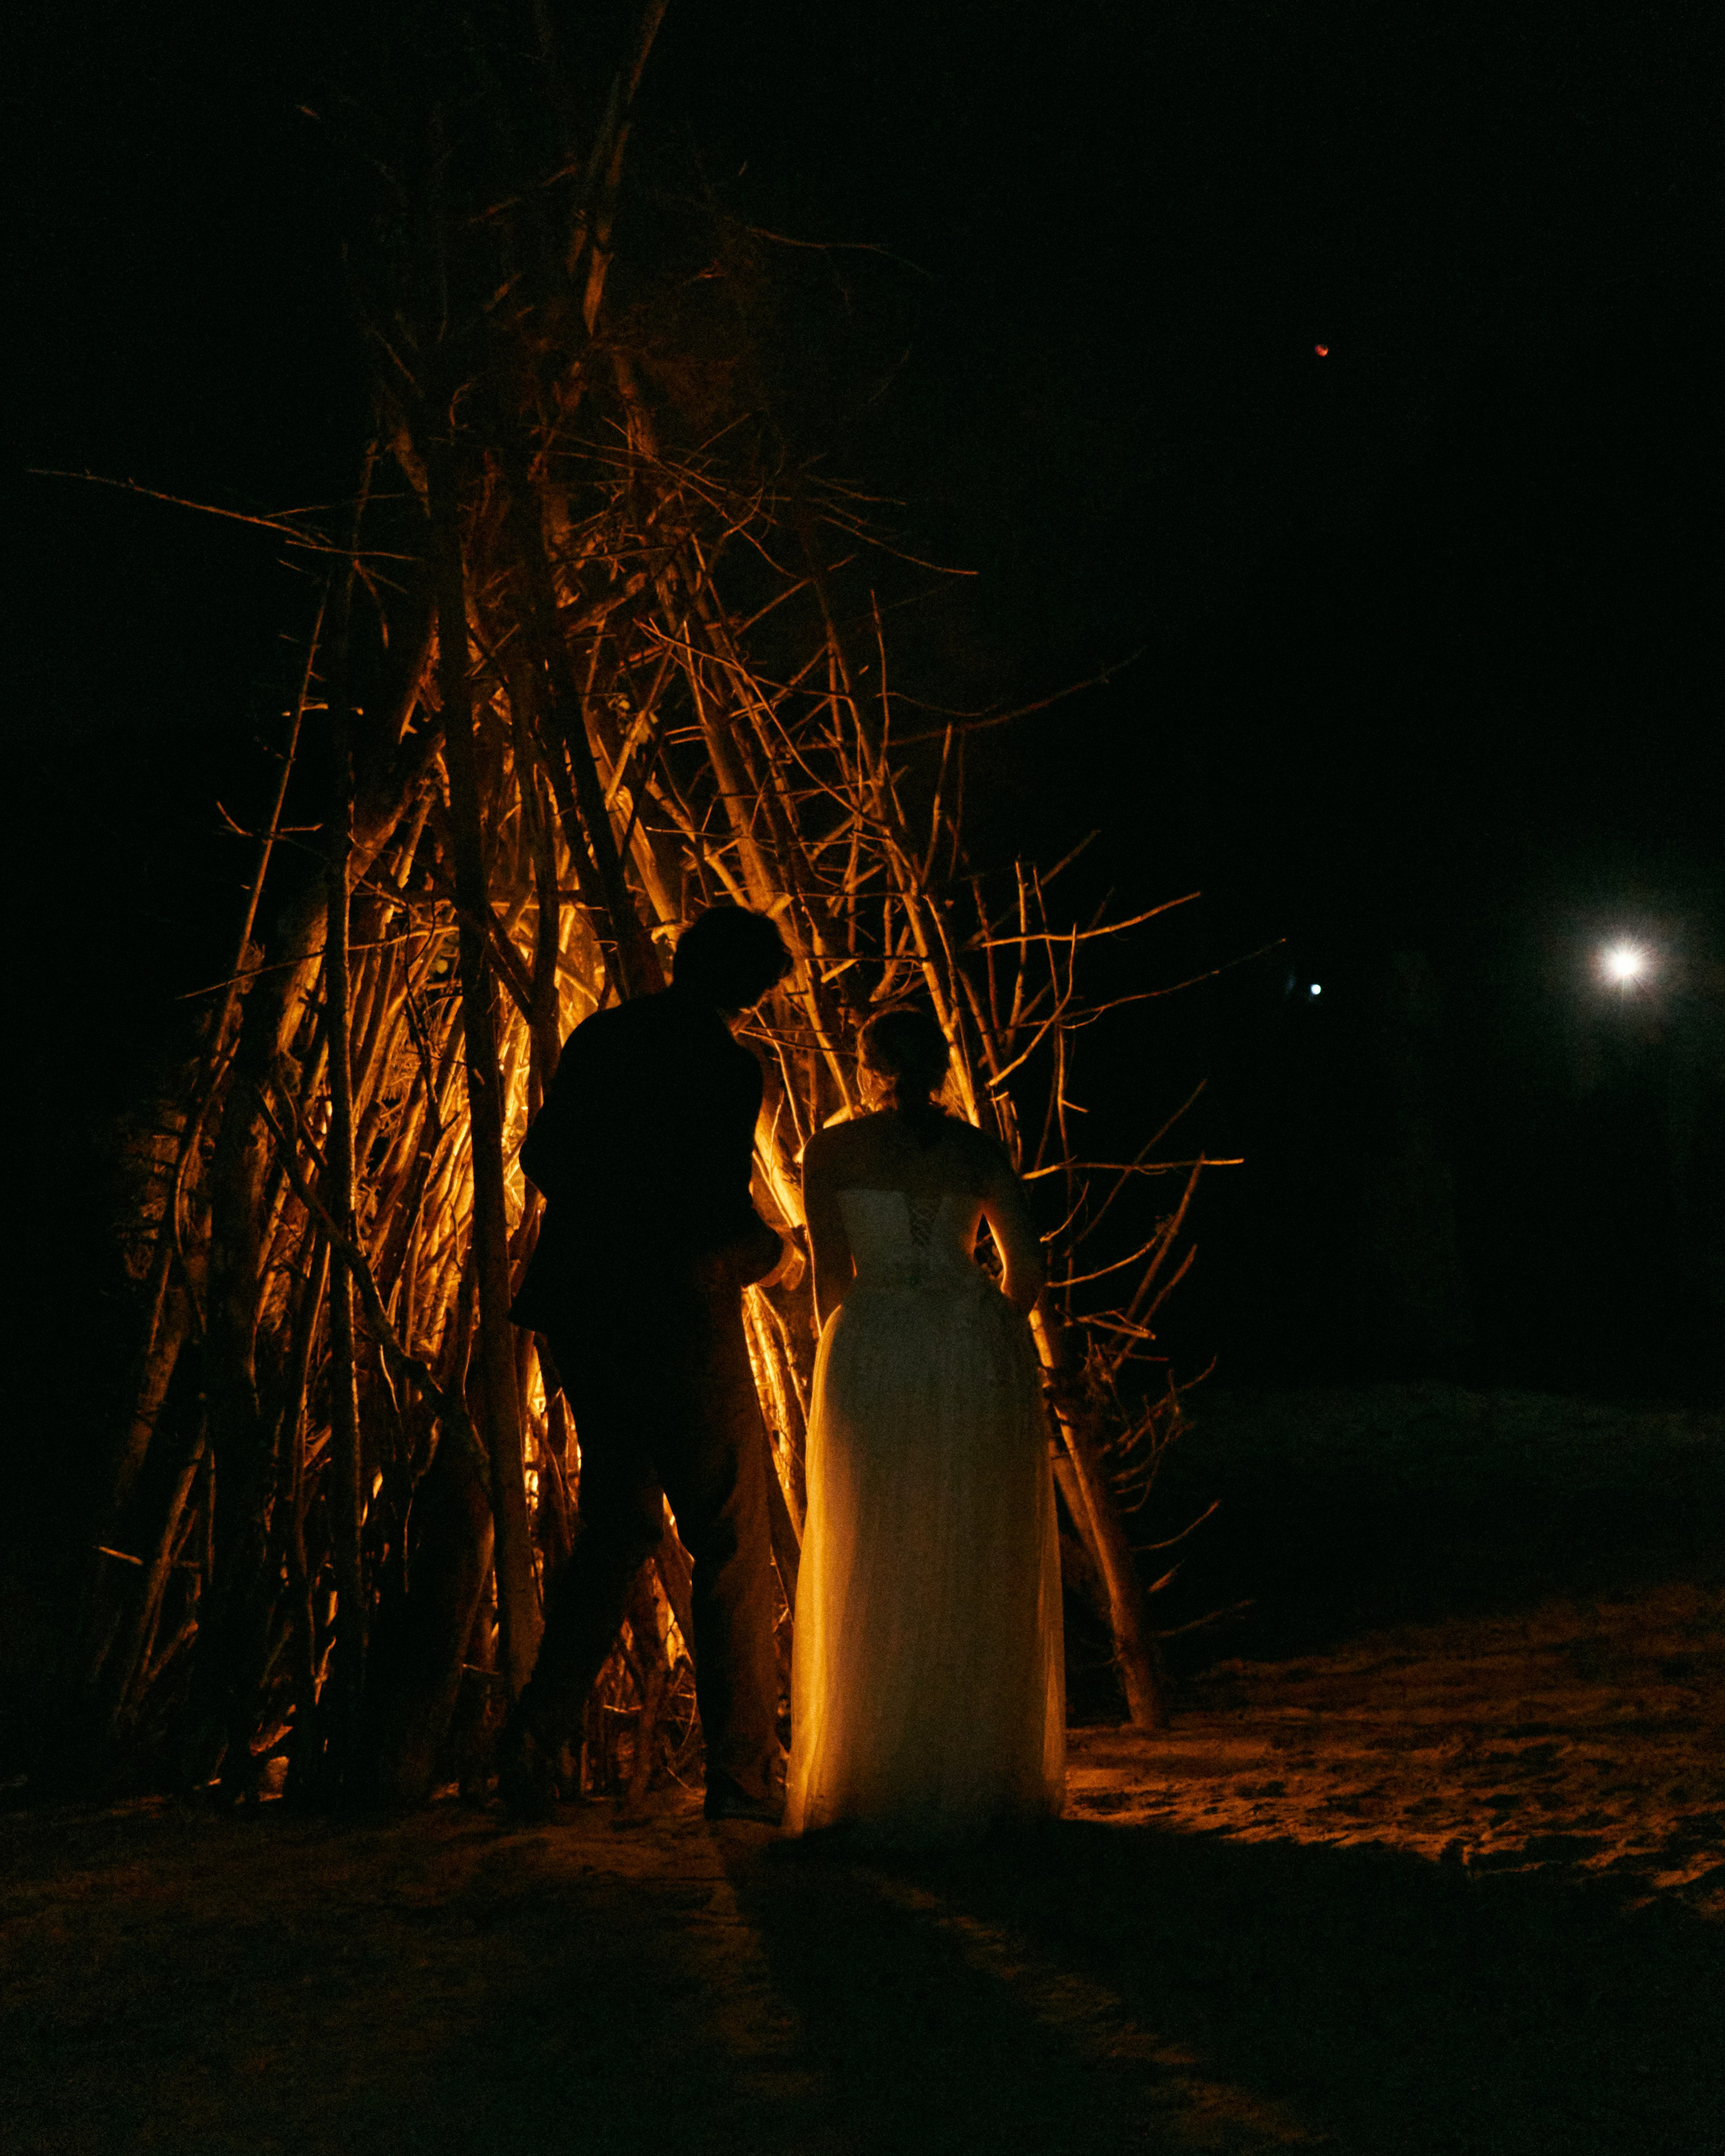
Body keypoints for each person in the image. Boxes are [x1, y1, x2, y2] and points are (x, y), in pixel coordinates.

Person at [499, 904, 794, 1824]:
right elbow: (708, 1200)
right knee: (732, 1534)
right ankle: (741, 1776)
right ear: (752, 992)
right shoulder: (723, 1066)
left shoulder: (603, 1035)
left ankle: (533, 1738)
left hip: (583, 1308)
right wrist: (773, 1253)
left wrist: (604, 1218)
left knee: (619, 1523)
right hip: (676, 1314)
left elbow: (542, 1151)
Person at [784, 1006, 1065, 1844]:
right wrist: (977, 1323)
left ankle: (875, 1769)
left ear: (867, 1065)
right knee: (968, 1544)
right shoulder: (978, 1148)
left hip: (874, 1343)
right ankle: (974, 1771)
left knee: (874, 1539)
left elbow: (833, 1274)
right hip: (970, 1346)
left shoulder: (831, 1150)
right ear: (941, 1063)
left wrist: (854, 1339)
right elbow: (1027, 1272)